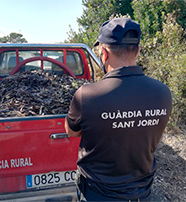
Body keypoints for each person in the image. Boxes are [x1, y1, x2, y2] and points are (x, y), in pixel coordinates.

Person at [65, 18, 172, 201]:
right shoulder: (163, 92)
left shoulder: (87, 95)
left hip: (97, 195)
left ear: (104, 54)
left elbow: (72, 132)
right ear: (137, 51)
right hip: (142, 193)